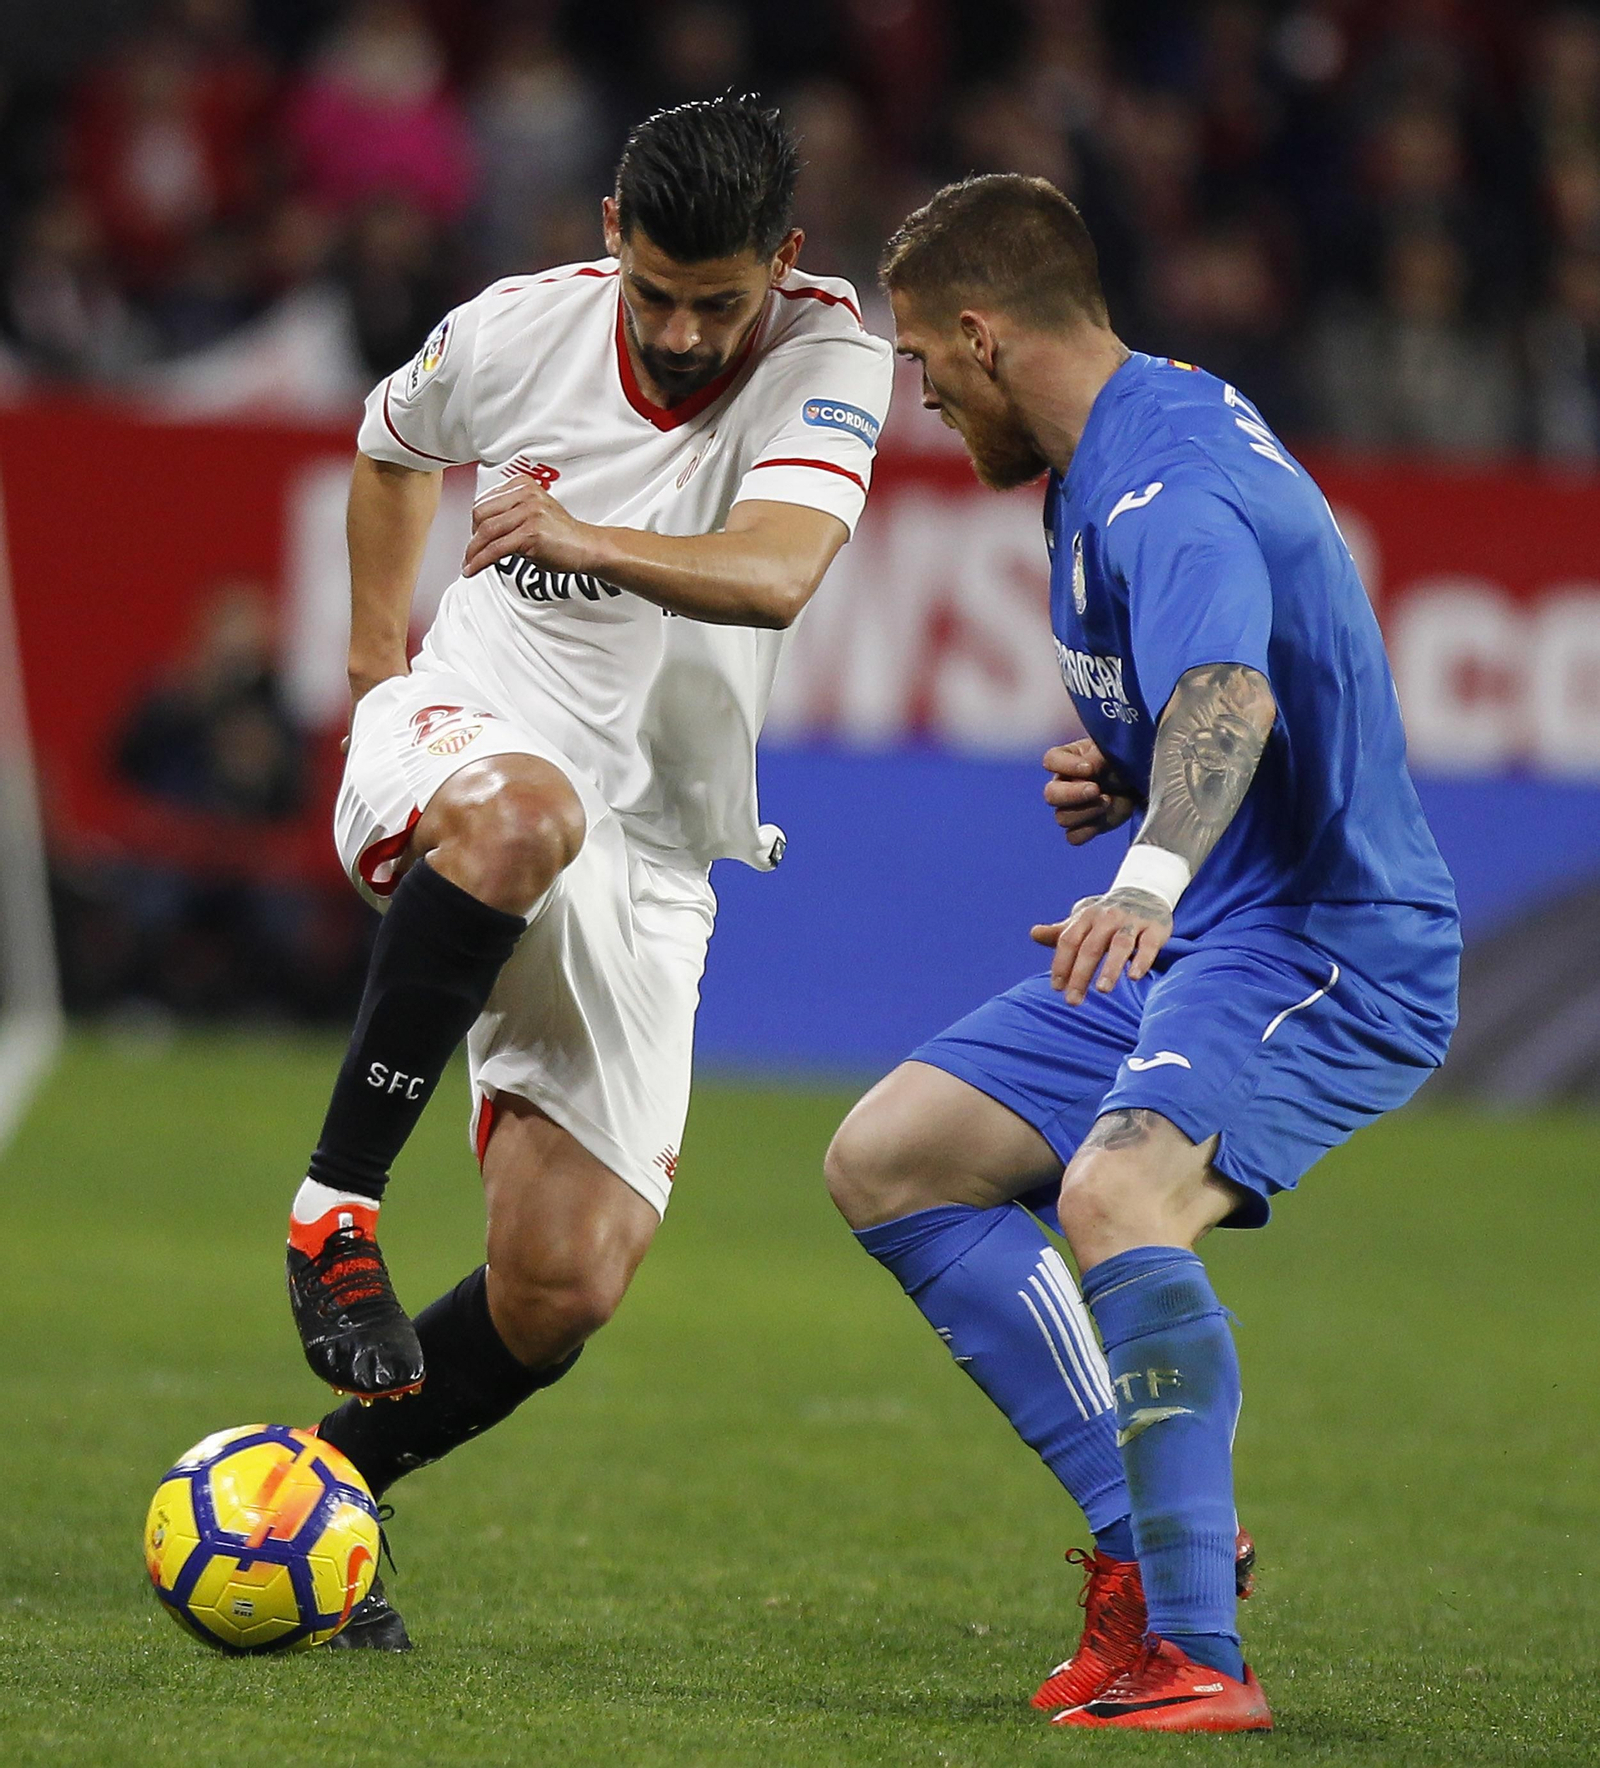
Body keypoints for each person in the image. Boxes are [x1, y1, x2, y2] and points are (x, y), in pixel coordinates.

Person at [824, 174, 1458, 1733]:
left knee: (1117, 1195)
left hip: (1329, 944)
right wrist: (1126, 775)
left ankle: (1198, 1654)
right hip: (1221, 934)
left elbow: (1231, 695)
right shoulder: (1110, 451)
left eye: (922, 360)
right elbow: (1216, 695)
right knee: (894, 1157)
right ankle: (1145, 1531)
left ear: (984, 335)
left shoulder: (1162, 482)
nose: (921, 396)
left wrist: (1152, 869)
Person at [284, 95, 892, 1648]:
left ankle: (316, 1492)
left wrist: (583, 534)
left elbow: (779, 571)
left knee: (564, 1284)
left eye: (719, 302)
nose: (683, 333)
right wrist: (374, 676)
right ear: (613, 232)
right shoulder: (517, 327)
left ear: (784, 262)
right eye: (658, 292)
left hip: (657, 844)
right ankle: (334, 1212)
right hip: (474, 740)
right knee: (522, 815)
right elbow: (390, 445)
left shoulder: (833, 354)